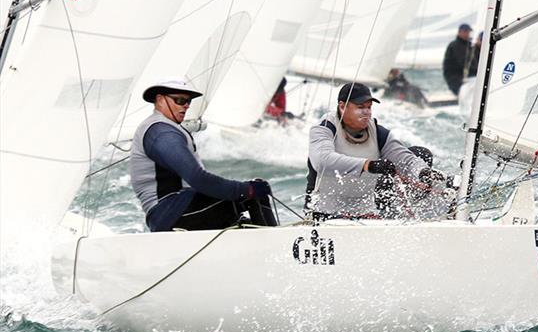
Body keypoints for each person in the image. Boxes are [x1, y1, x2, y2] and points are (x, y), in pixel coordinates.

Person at [131, 79, 276, 232]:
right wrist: (247, 190)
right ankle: (277, 245)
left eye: (188, 101)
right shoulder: (161, 132)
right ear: (160, 100)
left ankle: (258, 239)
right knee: (254, 192)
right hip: (171, 212)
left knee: (244, 223)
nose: (186, 105)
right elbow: (197, 178)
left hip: (174, 211)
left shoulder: (162, 128)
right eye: (180, 100)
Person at [305, 82, 445, 220]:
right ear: (342, 106)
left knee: (421, 154)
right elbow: (322, 161)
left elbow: (406, 160)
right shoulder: (324, 129)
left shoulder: (378, 133)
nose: (366, 112)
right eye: (360, 107)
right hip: (323, 213)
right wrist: (368, 165)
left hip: (364, 214)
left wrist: (423, 171)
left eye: (369, 107)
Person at [442, 23, 473, 94]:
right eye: (465, 32)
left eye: (468, 32)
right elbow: (462, 62)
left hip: (466, 78)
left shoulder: (469, 45)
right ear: (459, 32)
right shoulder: (454, 46)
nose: (467, 34)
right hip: (455, 79)